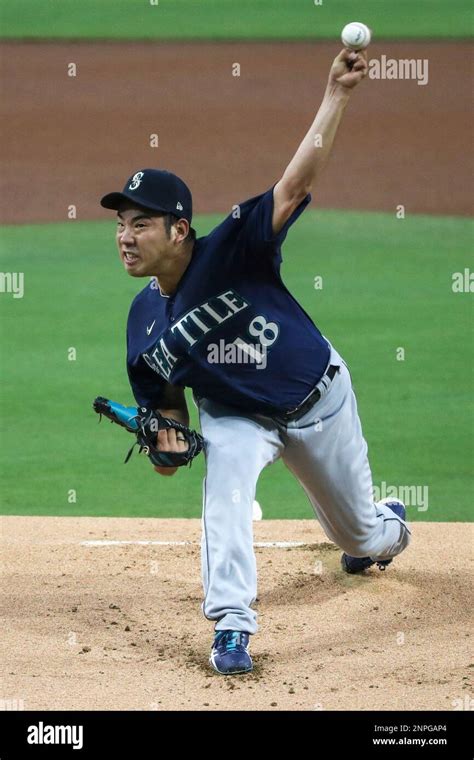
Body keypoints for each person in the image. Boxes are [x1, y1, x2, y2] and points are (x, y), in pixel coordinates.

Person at [100, 48, 411, 675]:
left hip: (318, 400)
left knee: (359, 539)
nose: (125, 237)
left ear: (181, 229)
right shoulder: (140, 323)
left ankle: (385, 531)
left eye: (141, 224)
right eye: (121, 225)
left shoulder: (236, 246)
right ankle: (233, 627)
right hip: (236, 416)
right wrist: (163, 444)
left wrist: (337, 93)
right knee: (226, 484)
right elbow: (167, 423)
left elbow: (294, 183)